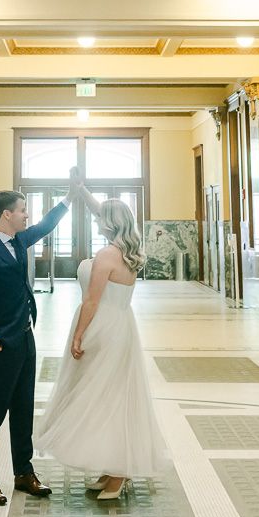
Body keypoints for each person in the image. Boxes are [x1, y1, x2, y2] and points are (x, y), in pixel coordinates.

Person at [37, 172, 167, 499]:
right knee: (111, 397)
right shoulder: (127, 250)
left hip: (103, 328)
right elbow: (104, 210)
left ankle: (118, 473)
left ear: (108, 223)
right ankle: (112, 468)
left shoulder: (107, 256)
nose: (95, 221)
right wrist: (81, 192)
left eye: (99, 219)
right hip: (122, 326)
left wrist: (78, 336)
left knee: (101, 396)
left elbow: (91, 301)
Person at [0, 177, 80, 506]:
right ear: (7, 215)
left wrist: (68, 197)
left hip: (26, 339)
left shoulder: (19, 240)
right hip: (0, 346)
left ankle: (23, 472)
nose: (27, 216)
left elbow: (46, 225)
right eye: (23, 210)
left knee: (23, 409)